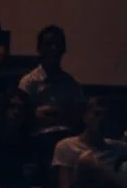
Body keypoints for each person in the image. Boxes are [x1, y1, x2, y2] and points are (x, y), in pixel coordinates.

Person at [52, 97, 127, 188]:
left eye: (105, 115)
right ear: (85, 117)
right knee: (86, 162)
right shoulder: (66, 146)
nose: (101, 119)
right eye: (97, 114)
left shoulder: (118, 148)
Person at [18, 25, 85, 154]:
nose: (54, 49)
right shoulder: (29, 82)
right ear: (39, 49)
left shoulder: (70, 84)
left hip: (67, 139)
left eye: (58, 45)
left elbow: (81, 114)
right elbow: (20, 116)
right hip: (39, 139)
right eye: (48, 44)